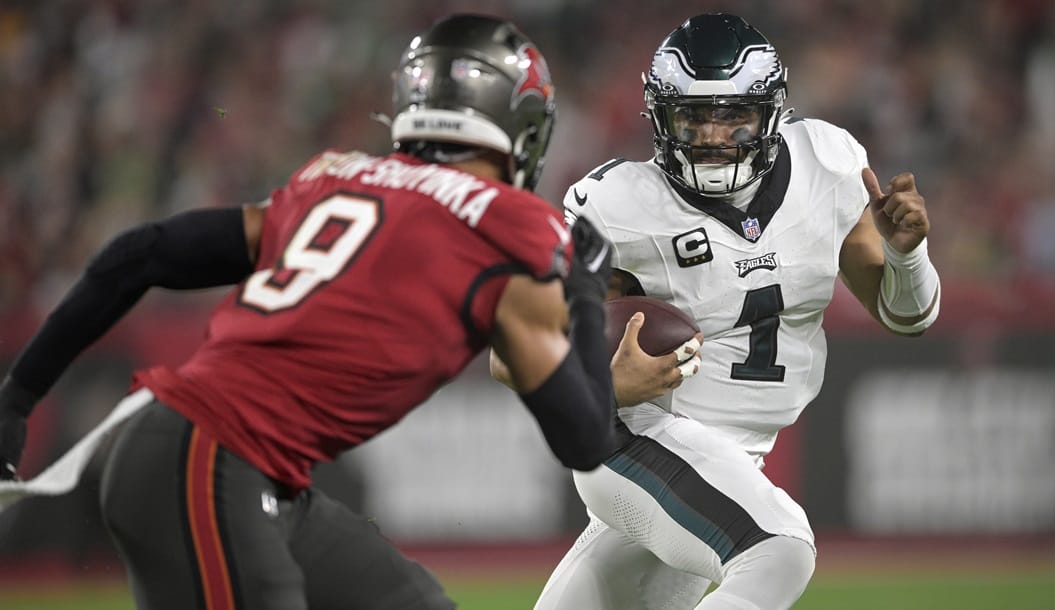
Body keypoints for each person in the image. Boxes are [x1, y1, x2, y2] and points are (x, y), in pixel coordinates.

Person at [0, 14, 620, 610]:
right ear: (522, 124)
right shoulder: (510, 227)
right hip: (210, 460)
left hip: (223, 462)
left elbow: (141, 253)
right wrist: (587, 294)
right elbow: (585, 439)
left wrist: (18, 396)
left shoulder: (342, 178)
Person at [534, 13, 941, 610]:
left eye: (732, 115)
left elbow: (909, 317)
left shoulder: (828, 166)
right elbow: (511, 348)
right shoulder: (619, 204)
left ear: (772, 112)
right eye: (692, 116)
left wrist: (908, 256)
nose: (712, 135)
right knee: (777, 547)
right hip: (634, 439)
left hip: (724, 459)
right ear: (660, 117)